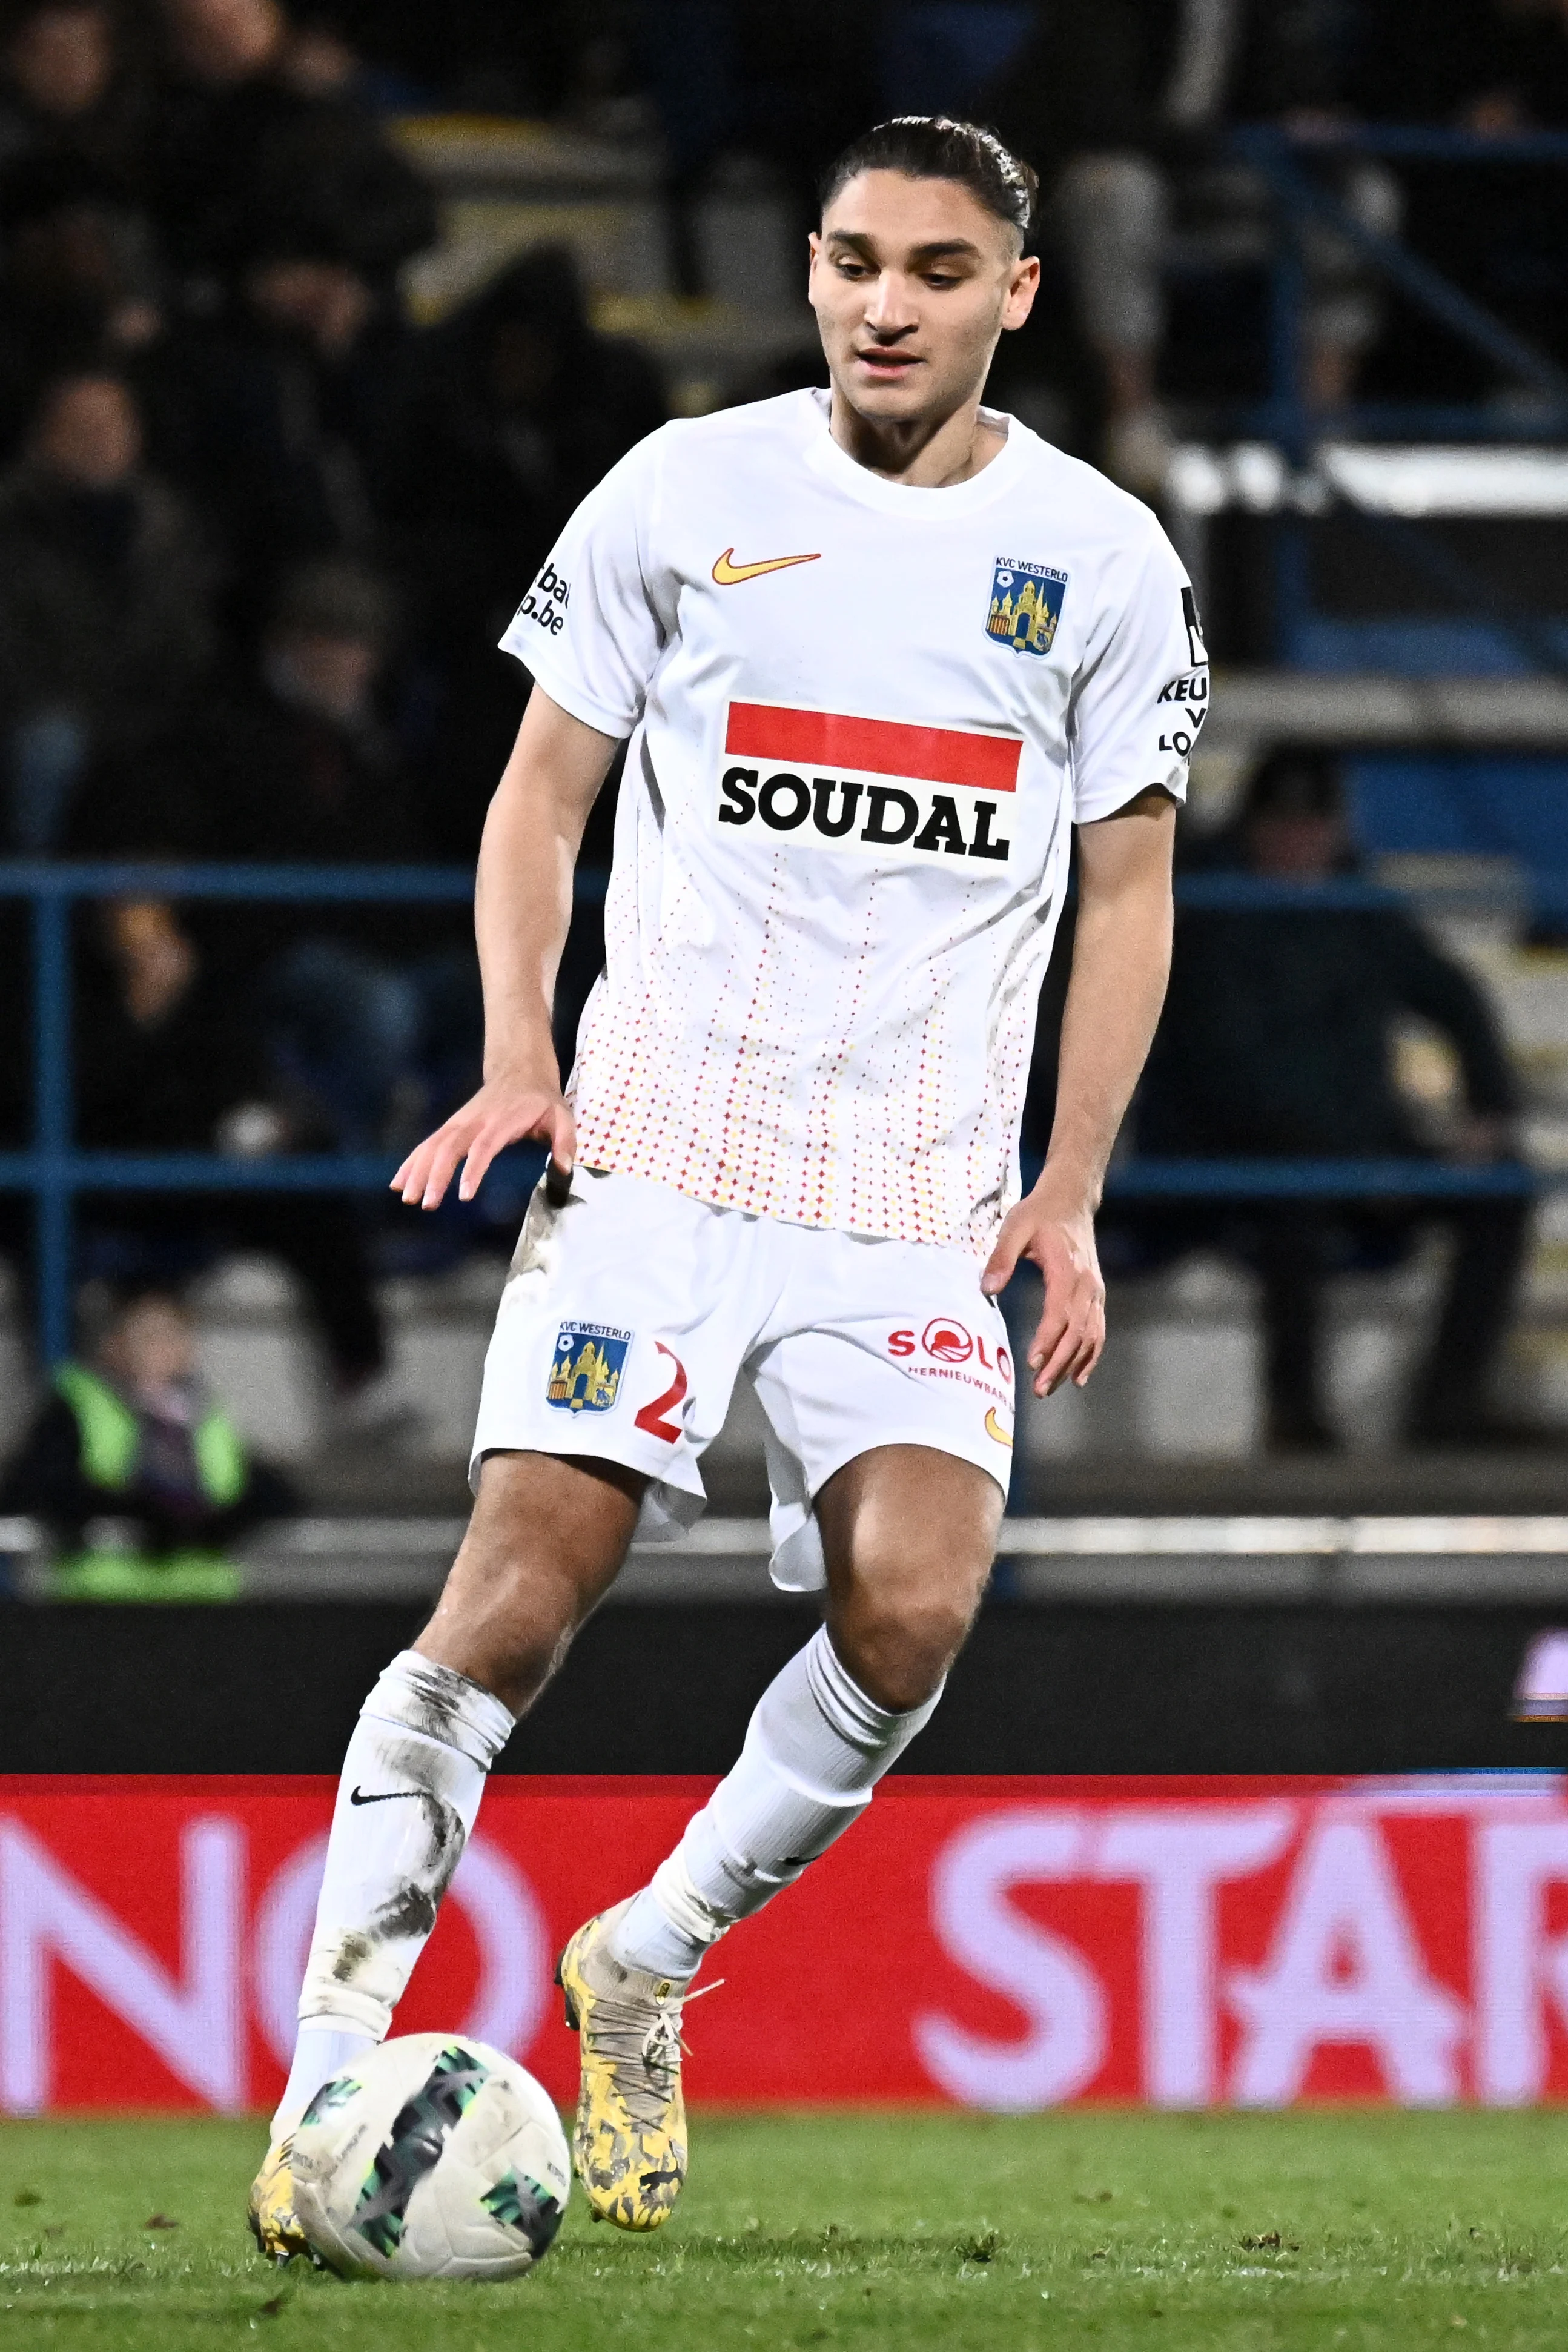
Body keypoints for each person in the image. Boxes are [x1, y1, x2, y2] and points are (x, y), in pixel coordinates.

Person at [249, 114, 1203, 2256]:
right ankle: (327, 2087)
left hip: (915, 1191)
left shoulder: (1103, 558)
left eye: (935, 271)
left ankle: (645, 1954)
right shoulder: (682, 492)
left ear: (1013, 296)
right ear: (804, 269)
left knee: (916, 1604)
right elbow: (535, 798)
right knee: (509, 1602)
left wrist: (1064, 1187)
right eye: (854, 261)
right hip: (661, 1147)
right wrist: (516, 1048)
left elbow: (1126, 894)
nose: (885, 304)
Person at [1134, 749, 1533, 1449]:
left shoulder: (1356, 903)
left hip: (1353, 1143)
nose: (1299, 844)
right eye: (1282, 826)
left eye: (1313, 825)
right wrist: (1366, 1156)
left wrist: (1488, 1108)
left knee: (1505, 1187)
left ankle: (1448, 1403)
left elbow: (1454, 995)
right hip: (1229, 1148)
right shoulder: (1207, 909)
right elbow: (1227, 1069)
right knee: (1295, 1180)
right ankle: (1296, 1416)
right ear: (1252, 827)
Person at [0, 366, 214, 850]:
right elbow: (12, 647)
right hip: (41, 709)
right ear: (44, 436)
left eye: (112, 427)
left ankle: (158, 916)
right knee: (50, 746)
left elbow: (187, 636)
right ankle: (33, 898)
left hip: (144, 710)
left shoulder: (167, 525)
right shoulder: (13, 521)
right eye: (81, 428)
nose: (98, 441)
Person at [0, 1284, 296, 1598]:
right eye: (148, 1336)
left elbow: (266, 1494)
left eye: (173, 1335)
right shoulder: (76, 1406)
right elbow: (39, 1490)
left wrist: (208, 1525)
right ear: (114, 1346)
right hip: (103, 1605)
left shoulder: (206, 1416)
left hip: (200, 1604)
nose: (161, 1349)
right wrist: (140, 1512)